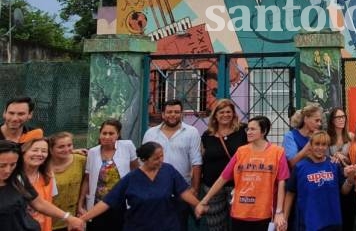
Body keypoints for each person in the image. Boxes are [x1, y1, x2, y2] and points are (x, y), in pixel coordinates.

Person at [80, 141, 203, 230]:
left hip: (167, 225)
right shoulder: (131, 178)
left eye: (162, 156)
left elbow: (183, 192)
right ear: (144, 159)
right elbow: (107, 202)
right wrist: (83, 219)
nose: (161, 160)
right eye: (156, 158)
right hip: (139, 226)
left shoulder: (168, 171)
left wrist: (197, 204)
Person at [198, 116, 288, 231]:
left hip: (264, 213)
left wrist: (279, 211)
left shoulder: (277, 152)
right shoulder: (241, 151)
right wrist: (204, 200)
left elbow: (281, 182)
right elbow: (223, 177)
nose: (248, 132)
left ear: (264, 131)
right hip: (240, 212)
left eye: (253, 129)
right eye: (248, 129)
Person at [142, 99, 202, 231]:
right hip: (154, 190)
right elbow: (144, 162)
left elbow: (196, 162)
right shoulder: (150, 133)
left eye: (176, 112)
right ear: (163, 114)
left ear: (182, 114)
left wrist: (195, 190)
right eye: (169, 112)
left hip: (181, 191)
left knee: (179, 226)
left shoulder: (192, 132)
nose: (173, 115)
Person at [0, 140, 85, 231]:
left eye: (13, 164)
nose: (8, 170)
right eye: (2, 165)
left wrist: (68, 217)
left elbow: (39, 203)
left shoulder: (17, 179)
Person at [79, 118, 138, 231]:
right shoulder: (93, 152)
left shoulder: (127, 146)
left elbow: (136, 171)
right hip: (97, 206)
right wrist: (81, 204)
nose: (107, 137)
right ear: (100, 134)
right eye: (104, 133)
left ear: (118, 134)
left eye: (111, 133)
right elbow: (87, 179)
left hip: (122, 206)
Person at [284, 131, 349, 231]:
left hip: (333, 222)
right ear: (310, 145)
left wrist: (351, 179)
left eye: (324, 145)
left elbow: (344, 190)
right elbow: (290, 193)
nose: (320, 148)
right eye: (317, 144)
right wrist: (284, 218)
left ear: (327, 146)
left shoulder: (334, 165)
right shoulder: (300, 167)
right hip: (309, 223)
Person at [200, 99, 247, 231]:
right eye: (221, 112)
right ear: (215, 115)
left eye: (228, 112)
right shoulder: (207, 135)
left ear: (233, 114)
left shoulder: (243, 131)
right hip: (212, 185)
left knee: (239, 223)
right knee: (215, 225)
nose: (225, 115)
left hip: (237, 185)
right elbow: (203, 157)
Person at [326, 107, 356, 231]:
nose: (341, 119)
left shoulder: (351, 136)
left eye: (343, 117)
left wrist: (344, 157)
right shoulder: (327, 137)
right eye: (338, 117)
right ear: (332, 120)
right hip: (332, 177)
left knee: (348, 210)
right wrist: (333, 157)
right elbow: (323, 157)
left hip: (347, 176)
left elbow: (354, 160)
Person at [48, 132, 86, 231]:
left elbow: (87, 182)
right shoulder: (42, 164)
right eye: (61, 147)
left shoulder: (81, 160)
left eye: (69, 145)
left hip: (72, 220)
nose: (67, 149)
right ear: (51, 149)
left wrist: (81, 205)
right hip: (48, 219)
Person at [22, 137, 56, 231]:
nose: (39, 154)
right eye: (35, 150)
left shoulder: (48, 176)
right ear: (23, 151)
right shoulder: (12, 177)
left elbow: (49, 204)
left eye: (44, 151)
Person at [284, 103, 324, 168]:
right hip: (298, 176)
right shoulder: (290, 136)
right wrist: (311, 141)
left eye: (320, 121)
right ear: (306, 119)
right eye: (316, 120)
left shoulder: (319, 135)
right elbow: (292, 162)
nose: (319, 124)